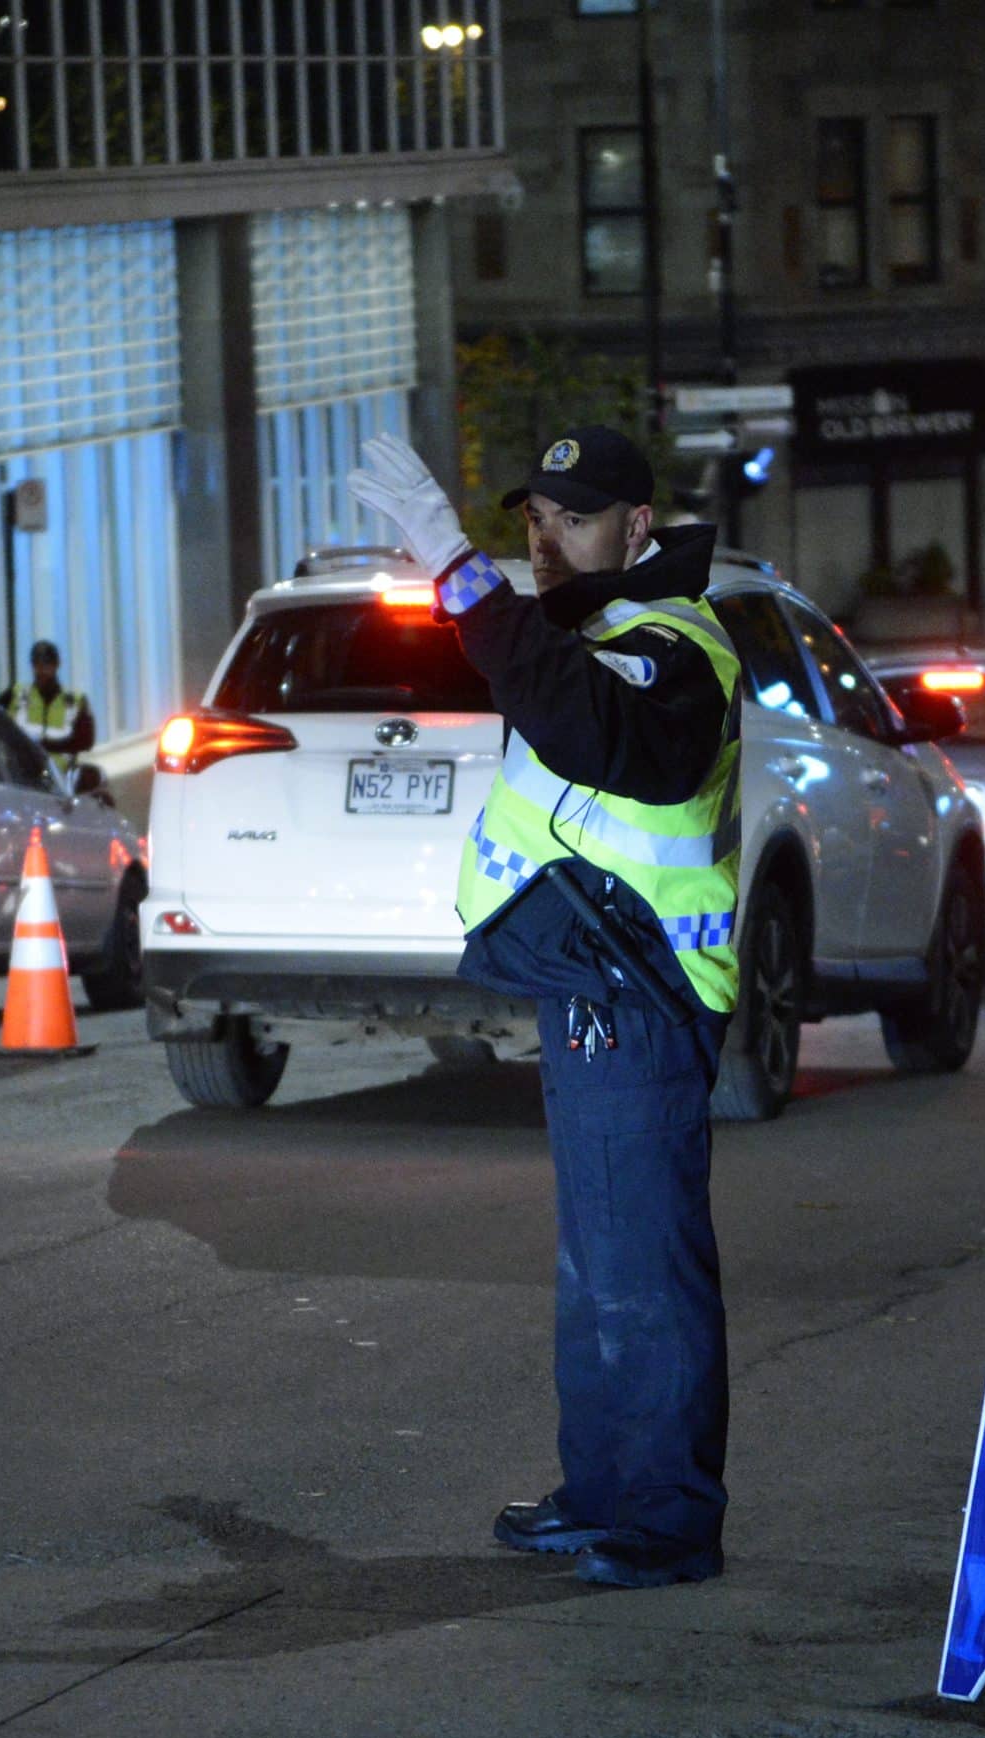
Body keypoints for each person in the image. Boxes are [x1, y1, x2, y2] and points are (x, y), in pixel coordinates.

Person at [349, 424, 740, 1591]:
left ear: (639, 528)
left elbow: (587, 725)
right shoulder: (602, 630)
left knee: (643, 1265)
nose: (546, 542)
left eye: (573, 519)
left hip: (641, 982)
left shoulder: (675, 646)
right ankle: (607, 1491)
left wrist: (456, 568)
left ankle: (668, 1519)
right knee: (595, 1266)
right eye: (533, 521)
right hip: (590, 983)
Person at [0, 639, 96, 771]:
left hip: (59, 777)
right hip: (20, 772)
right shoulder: (17, 694)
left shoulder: (75, 701)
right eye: (36, 665)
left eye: (46, 665)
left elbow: (86, 742)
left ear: (57, 665)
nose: (41, 671)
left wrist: (45, 746)